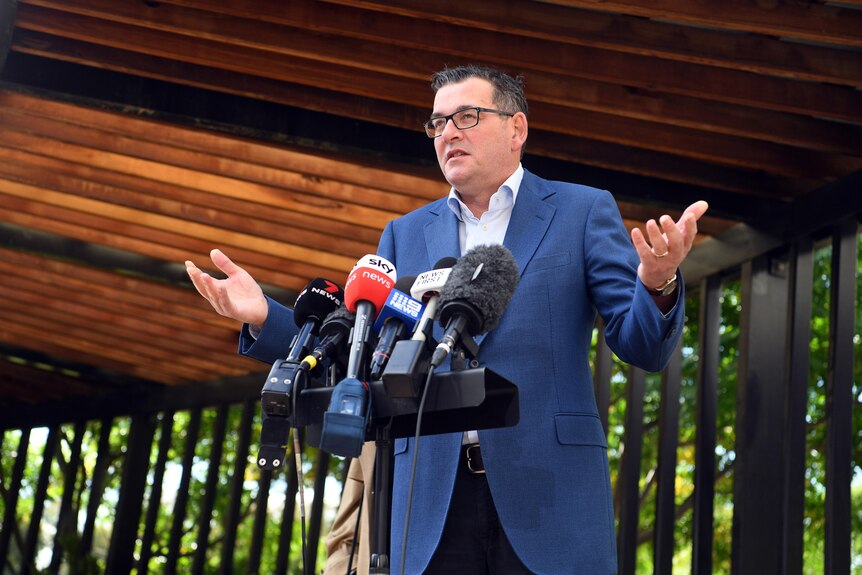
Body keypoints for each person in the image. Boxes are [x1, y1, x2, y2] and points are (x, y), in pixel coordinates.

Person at [186, 64, 707, 574]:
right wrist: (265, 317)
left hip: (549, 493)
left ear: (516, 128)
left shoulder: (581, 210)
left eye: (467, 117)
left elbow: (643, 345)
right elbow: (357, 354)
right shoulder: (405, 234)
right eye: (437, 123)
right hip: (426, 500)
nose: (448, 133)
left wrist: (657, 283)